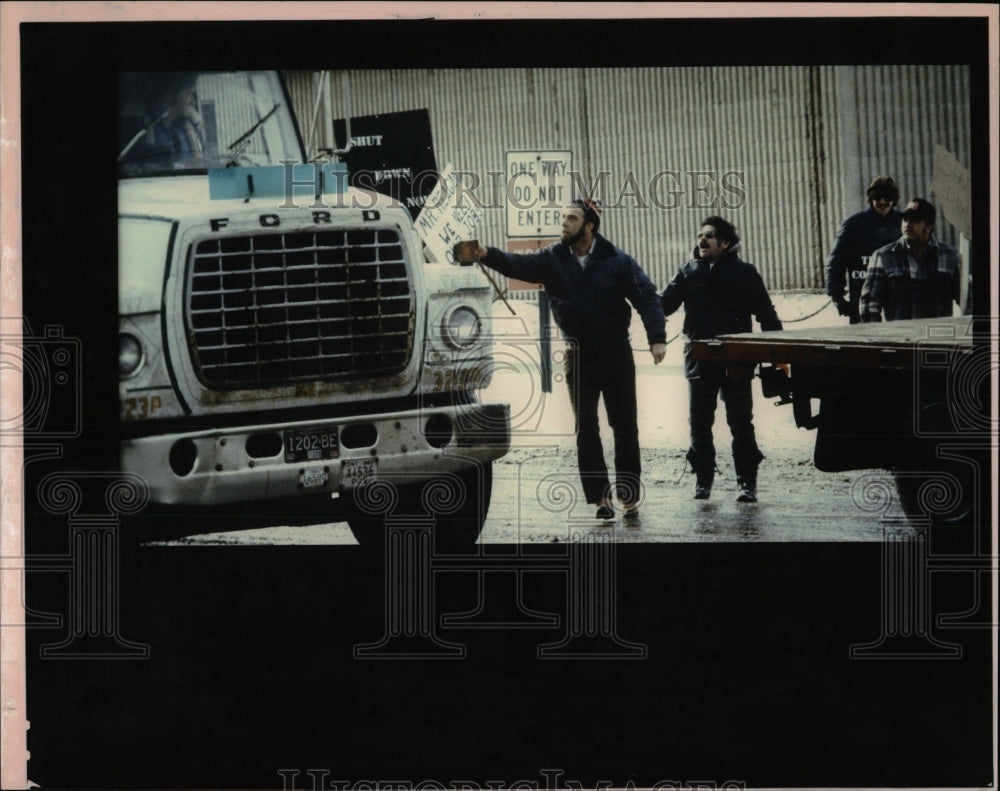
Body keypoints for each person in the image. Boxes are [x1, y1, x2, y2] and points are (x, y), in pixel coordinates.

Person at [457, 199, 667, 521]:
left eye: (571, 218)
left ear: (590, 225)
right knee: (586, 428)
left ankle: (629, 493)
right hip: (578, 355)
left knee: (624, 426)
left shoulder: (617, 260)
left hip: (615, 354)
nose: (564, 224)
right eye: (563, 218)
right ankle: (600, 498)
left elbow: (647, 296)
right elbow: (517, 264)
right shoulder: (552, 259)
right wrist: (485, 253)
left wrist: (657, 337)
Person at [660, 216, 783, 503]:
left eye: (710, 235)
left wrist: (778, 354)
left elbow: (766, 315)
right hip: (700, 359)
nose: (702, 240)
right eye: (700, 235)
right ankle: (703, 480)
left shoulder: (744, 273)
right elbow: (663, 304)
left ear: (725, 242)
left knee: (740, 422)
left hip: (736, 359)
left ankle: (747, 482)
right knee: (699, 423)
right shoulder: (689, 271)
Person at [859, 198, 963, 322]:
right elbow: (869, 305)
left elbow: (968, 300)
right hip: (900, 337)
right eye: (905, 219)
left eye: (915, 220)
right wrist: (880, 337)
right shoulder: (883, 256)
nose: (908, 224)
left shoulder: (950, 257)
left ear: (929, 227)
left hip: (937, 337)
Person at [826, 176, 903, 323]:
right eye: (877, 197)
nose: (882, 201)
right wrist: (837, 297)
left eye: (887, 197)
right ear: (870, 198)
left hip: (898, 298)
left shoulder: (904, 223)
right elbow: (835, 261)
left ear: (894, 199)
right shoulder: (853, 225)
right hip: (863, 296)